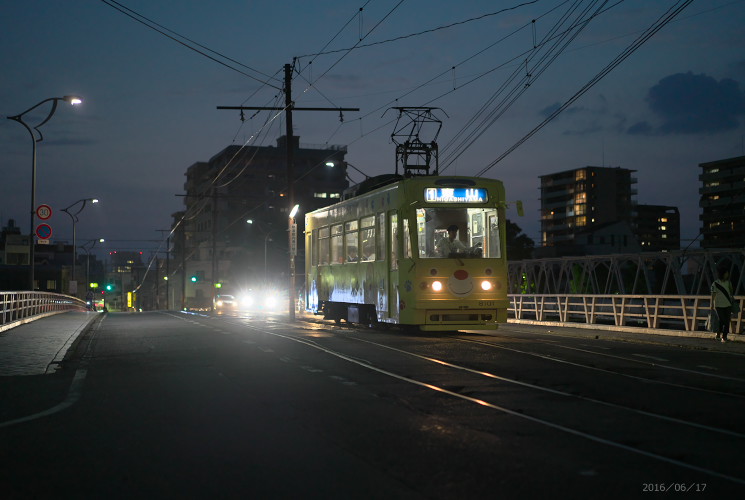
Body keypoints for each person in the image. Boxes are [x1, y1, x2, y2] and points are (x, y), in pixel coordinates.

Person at [711, 266, 734, 342]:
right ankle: (719, 334)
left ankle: (724, 337)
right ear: (723, 274)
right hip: (718, 305)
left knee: (726, 321)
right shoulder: (715, 283)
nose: (727, 274)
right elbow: (713, 294)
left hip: (728, 304)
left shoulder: (728, 283)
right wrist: (712, 304)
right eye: (726, 273)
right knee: (722, 320)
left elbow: (731, 292)